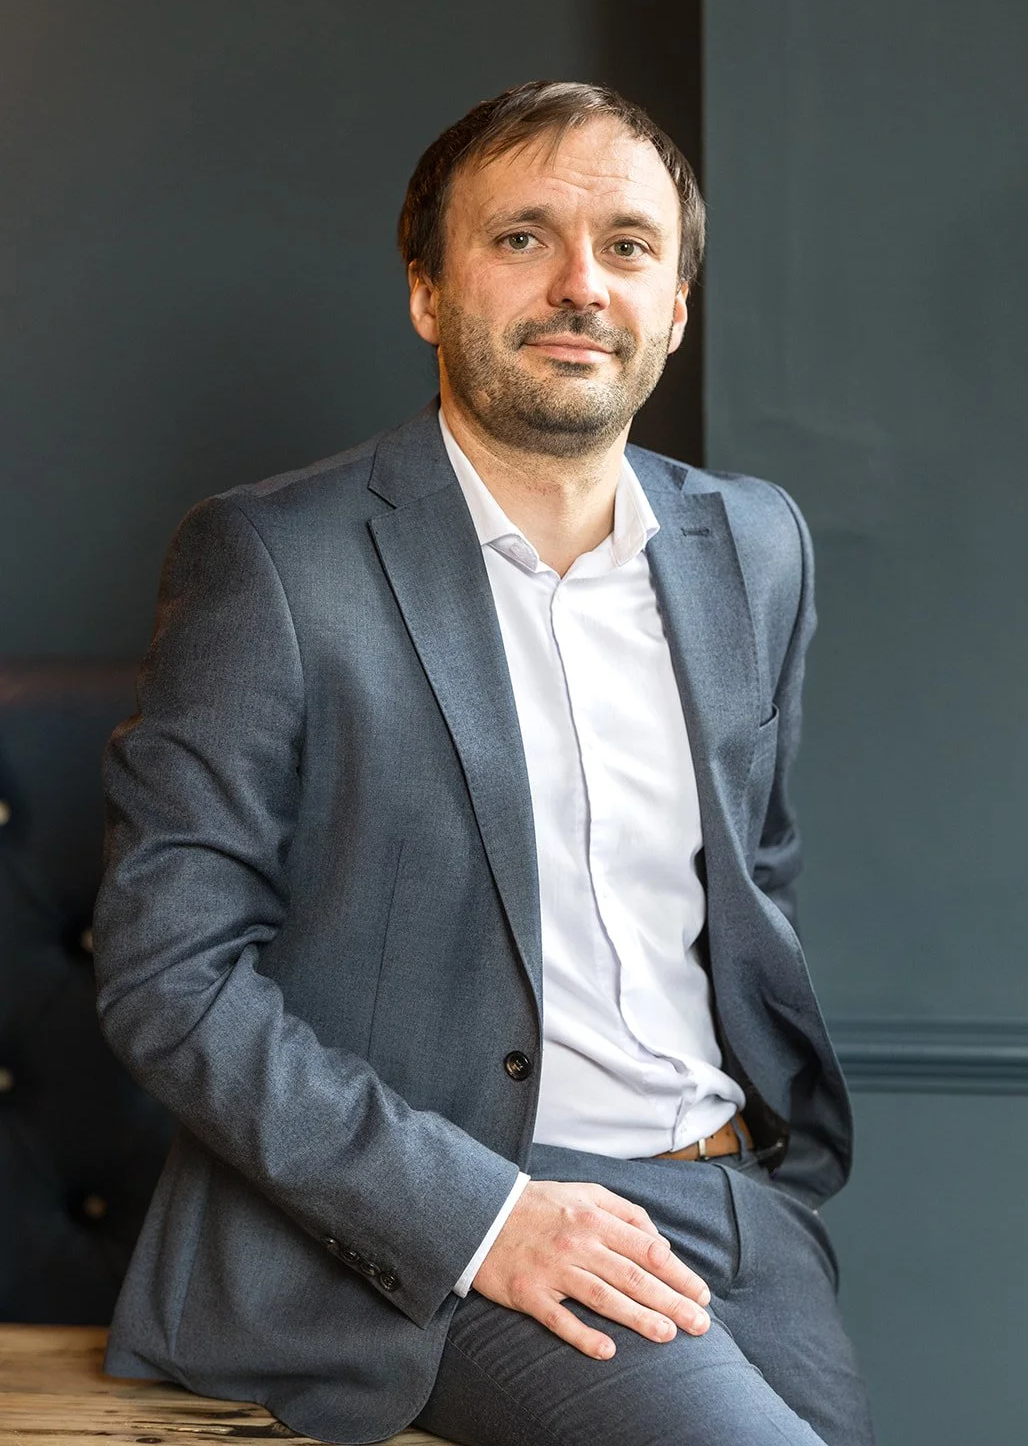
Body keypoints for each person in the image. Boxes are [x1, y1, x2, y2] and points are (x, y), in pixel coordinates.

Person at [93, 81, 874, 1446]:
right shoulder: (275, 561)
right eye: (522, 237)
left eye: (627, 247)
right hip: (448, 1224)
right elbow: (170, 976)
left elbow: (750, 880)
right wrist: (482, 1216)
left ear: (674, 307)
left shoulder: (754, 548)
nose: (581, 282)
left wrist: (773, 1180)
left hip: (742, 1204)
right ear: (425, 293)